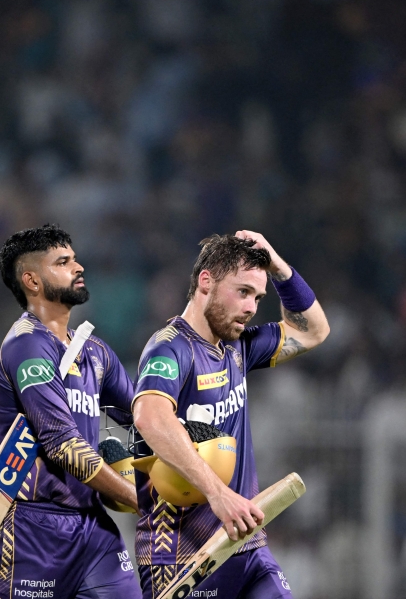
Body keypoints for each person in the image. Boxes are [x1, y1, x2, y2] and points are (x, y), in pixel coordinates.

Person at [132, 231, 330, 598]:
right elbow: (150, 417)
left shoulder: (238, 346)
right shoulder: (170, 348)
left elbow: (315, 330)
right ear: (205, 282)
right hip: (181, 557)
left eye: (257, 297)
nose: (252, 307)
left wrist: (278, 266)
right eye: (242, 292)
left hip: (246, 545)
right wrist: (218, 494)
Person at [0, 224, 141, 598]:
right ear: (32, 281)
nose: (78, 266)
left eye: (75, 258)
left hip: (93, 528)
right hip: (33, 530)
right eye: (64, 261)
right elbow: (63, 444)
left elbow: (145, 419)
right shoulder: (26, 346)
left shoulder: (97, 353)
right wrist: (139, 499)